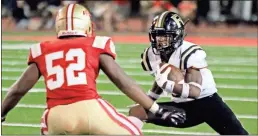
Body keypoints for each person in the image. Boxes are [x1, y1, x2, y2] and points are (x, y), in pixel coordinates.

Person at [1, 4, 186, 135]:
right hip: (90, 110)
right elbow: (122, 81)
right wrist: (156, 109)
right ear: (86, 24)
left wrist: (1, 113)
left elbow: (18, 90)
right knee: (133, 132)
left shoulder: (42, 49)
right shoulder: (95, 44)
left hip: (55, 117)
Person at [129, 11, 249, 135]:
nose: (160, 40)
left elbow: (195, 92)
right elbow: (161, 77)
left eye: (165, 36)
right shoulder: (151, 55)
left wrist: (167, 84)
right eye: (158, 35)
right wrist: (149, 100)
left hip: (207, 104)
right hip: (180, 108)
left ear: (176, 35)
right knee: (137, 111)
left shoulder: (188, 52)